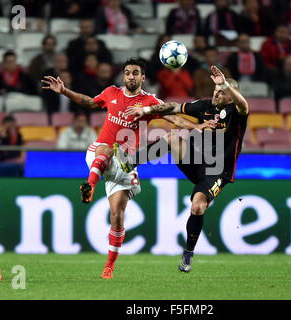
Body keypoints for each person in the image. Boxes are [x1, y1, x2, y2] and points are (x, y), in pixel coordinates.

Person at [41, 58, 213, 279]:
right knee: (107, 149)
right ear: (124, 76)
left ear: (143, 77)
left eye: (136, 73)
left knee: (117, 216)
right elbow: (89, 102)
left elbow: (174, 119)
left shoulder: (150, 101)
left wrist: (196, 126)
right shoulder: (112, 92)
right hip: (98, 154)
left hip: (125, 163)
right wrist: (64, 91)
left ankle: (109, 266)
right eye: (128, 72)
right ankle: (90, 185)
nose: (131, 76)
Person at [125, 65, 249, 272]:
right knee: (173, 137)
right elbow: (172, 107)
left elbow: (244, 105)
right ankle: (129, 162)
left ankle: (188, 254)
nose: (217, 94)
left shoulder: (236, 113)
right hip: (199, 162)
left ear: (230, 97)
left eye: (222, 92)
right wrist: (145, 110)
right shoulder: (205, 106)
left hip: (219, 171)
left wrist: (225, 84)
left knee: (198, 207)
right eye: (215, 90)